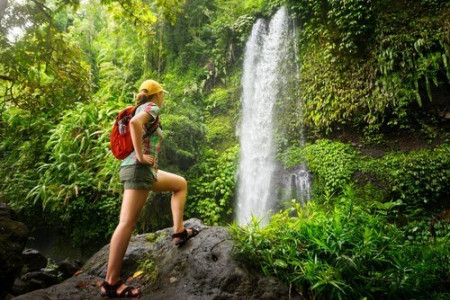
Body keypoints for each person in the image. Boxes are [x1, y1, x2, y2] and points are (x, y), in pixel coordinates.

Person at [100, 80, 199, 298]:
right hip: (138, 169)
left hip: (139, 170)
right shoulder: (151, 108)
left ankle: (179, 232)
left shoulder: (139, 108)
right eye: (162, 93)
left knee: (180, 184)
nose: (163, 97)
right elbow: (135, 124)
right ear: (156, 95)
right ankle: (111, 282)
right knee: (126, 223)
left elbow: (136, 126)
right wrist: (142, 156)